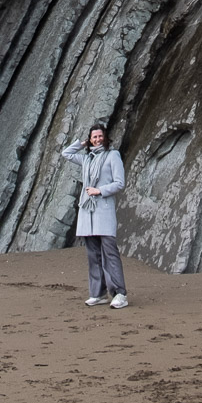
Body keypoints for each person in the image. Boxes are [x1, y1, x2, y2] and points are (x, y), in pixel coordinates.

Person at [62, 122, 128, 307]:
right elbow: (66, 153)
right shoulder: (87, 158)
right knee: (93, 255)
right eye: (94, 137)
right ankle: (98, 293)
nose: (98, 139)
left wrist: (100, 191)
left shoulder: (112, 155)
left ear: (105, 137)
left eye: (100, 136)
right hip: (87, 212)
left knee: (110, 253)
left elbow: (119, 183)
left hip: (103, 211)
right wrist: (82, 144)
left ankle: (119, 293)